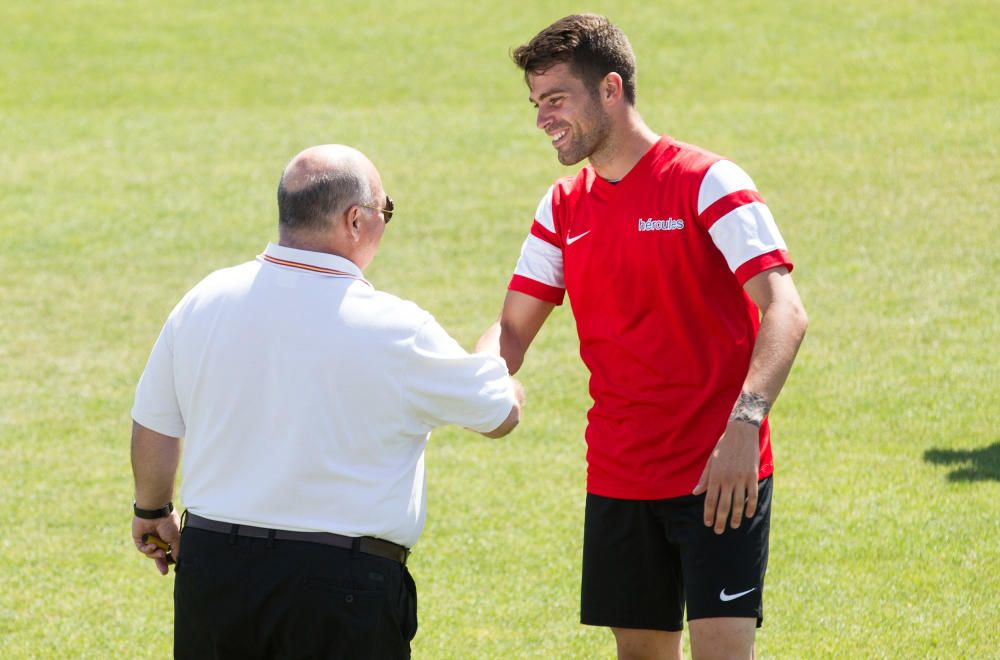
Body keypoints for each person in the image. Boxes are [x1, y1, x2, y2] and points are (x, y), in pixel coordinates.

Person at [476, 15, 808, 660]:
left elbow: (785, 311)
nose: (543, 118)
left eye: (555, 99)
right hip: (619, 474)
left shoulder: (708, 182)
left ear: (609, 89)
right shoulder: (563, 206)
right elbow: (513, 327)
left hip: (720, 474)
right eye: (536, 103)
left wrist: (745, 426)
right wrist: (474, 381)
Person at [130, 144, 524, 659]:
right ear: (355, 221)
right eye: (387, 211)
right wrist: (496, 359)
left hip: (214, 574)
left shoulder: (204, 300)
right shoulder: (396, 327)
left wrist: (153, 509)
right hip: (342, 587)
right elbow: (499, 415)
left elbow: (154, 424)